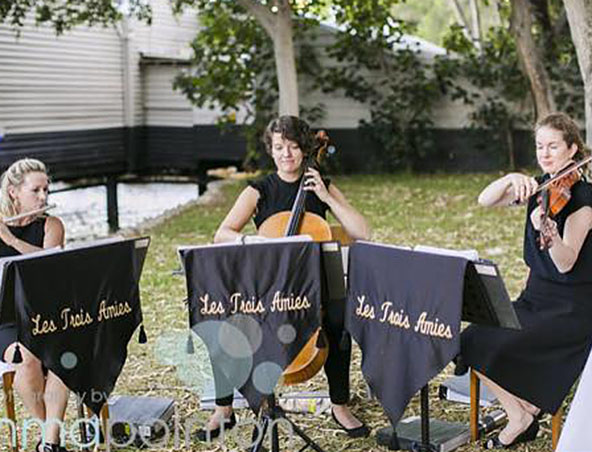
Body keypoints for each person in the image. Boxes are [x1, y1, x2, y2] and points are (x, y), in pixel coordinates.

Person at [197, 115, 371, 441]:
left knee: (337, 321)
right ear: (271, 150)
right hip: (268, 286)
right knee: (223, 315)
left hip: (313, 287)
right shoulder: (259, 190)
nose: (286, 154)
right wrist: (257, 242)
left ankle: (339, 405)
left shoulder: (320, 184)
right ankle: (223, 408)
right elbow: (223, 232)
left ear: (305, 149)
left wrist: (328, 197)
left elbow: (362, 232)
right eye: (279, 147)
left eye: (292, 147)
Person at [460, 112, 592, 449]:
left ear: (572, 149)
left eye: (553, 147)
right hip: (534, 299)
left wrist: (547, 231)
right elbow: (484, 200)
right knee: (470, 339)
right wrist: (509, 178)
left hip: (570, 310)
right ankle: (520, 412)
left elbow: (565, 263)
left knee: (492, 342)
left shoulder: (584, 200)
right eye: (539, 147)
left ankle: (522, 415)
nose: (545, 154)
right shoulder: (538, 187)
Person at [0, 158, 67, 452]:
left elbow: (47, 269)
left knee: (66, 356)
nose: (43, 197)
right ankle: (48, 434)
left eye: (46, 190)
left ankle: (49, 443)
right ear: (14, 192)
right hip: (6, 320)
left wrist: (10, 240)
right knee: (25, 356)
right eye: (35, 191)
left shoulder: (51, 225)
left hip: (45, 314)